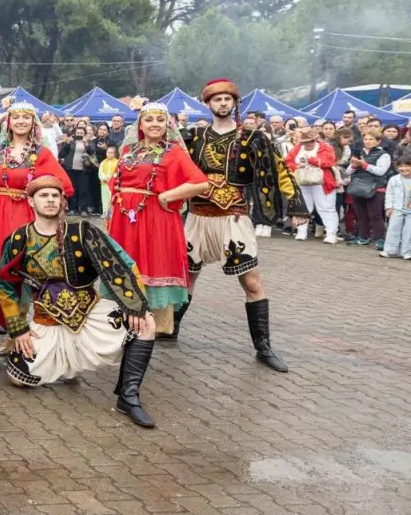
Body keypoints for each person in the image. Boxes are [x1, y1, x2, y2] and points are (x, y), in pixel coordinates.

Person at [0, 176, 157, 427]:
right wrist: (18, 329)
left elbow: (120, 266)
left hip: (90, 315)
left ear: (62, 200)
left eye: (55, 195)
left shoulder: (83, 230)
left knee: (146, 324)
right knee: (19, 379)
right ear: (31, 201)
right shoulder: (18, 239)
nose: (50, 200)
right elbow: (6, 287)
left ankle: (129, 396)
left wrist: (134, 306)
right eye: (43, 195)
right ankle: (61, 363)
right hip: (46, 322)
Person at [182, 79, 307, 372]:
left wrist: (296, 204)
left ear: (234, 103)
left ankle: (263, 347)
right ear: (208, 104)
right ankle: (171, 327)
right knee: (186, 278)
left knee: (251, 282)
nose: (223, 103)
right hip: (197, 217)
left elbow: (280, 169)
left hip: (234, 217)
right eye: (217, 99)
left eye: (228, 99)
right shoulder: (193, 137)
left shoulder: (253, 138)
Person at [107, 102, 210, 340]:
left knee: (150, 264)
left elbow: (200, 183)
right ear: (140, 124)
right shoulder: (128, 151)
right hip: (124, 219)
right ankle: (123, 324)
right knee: (126, 265)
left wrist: (168, 195)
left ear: (167, 125)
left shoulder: (173, 152)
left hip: (154, 218)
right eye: (149, 120)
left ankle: (147, 328)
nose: (155, 125)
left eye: (160, 120)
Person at [0, 102, 73, 336]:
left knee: (21, 272)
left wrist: (45, 204)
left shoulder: (42, 153)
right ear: (8, 122)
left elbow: (64, 185)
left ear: (33, 123)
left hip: (24, 216)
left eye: (26, 118)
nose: (21, 122)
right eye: (16, 118)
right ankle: (2, 321)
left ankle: (19, 330)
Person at [285, 126, 339, 243]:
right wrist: (298, 166)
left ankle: (331, 233)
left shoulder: (325, 147)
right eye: (305, 142)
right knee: (303, 208)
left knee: (326, 208)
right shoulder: (297, 148)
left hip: (322, 182)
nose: (308, 144)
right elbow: (288, 162)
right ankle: (301, 231)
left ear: (316, 139)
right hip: (303, 182)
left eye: (311, 141)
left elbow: (329, 162)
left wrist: (312, 160)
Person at [347, 129, 391, 248]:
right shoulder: (358, 153)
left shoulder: (384, 155)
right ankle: (363, 237)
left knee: (375, 215)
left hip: (375, 189)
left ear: (378, 141)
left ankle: (380, 239)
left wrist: (365, 165)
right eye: (365, 139)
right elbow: (347, 171)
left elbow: (381, 171)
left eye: (371, 139)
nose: (367, 141)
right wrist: (354, 166)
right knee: (360, 215)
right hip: (358, 187)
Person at [58, 125, 100, 215]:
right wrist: (68, 143)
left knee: (83, 189)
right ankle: (73, 208)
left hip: (84, 169)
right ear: (74, 134)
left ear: (85, 134)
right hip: (71, 169)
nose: (79, 135)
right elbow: (61, 154)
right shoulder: (70, 142)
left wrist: (86, 144)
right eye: (77, 133)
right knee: (73, 189)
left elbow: (92, 152)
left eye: (81, 133)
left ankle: (83, 209)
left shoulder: (89, 142)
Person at [381, 155, 411, 259]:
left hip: (410, 211)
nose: (404, 168)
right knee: (393, 229)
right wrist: (389, 207)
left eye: (407, 166)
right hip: (397, 209)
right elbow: (389, 194)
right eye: (401, 166)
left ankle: (407, 252)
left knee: (409, 231)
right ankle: (389, 250)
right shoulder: (394, 179)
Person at [97, 144, 118, 221]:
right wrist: (104, 178)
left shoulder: (117, 162)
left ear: (115, 153)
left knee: (112, 198)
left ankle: (112, 213)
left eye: (111, 152)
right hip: (104, 184)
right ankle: (105, 213)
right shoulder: (103, 162)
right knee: (105, 198)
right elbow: (100, 172)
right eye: (108, 152)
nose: (109, 154)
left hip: (113, 184)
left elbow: (117, 172)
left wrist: (111, 178)